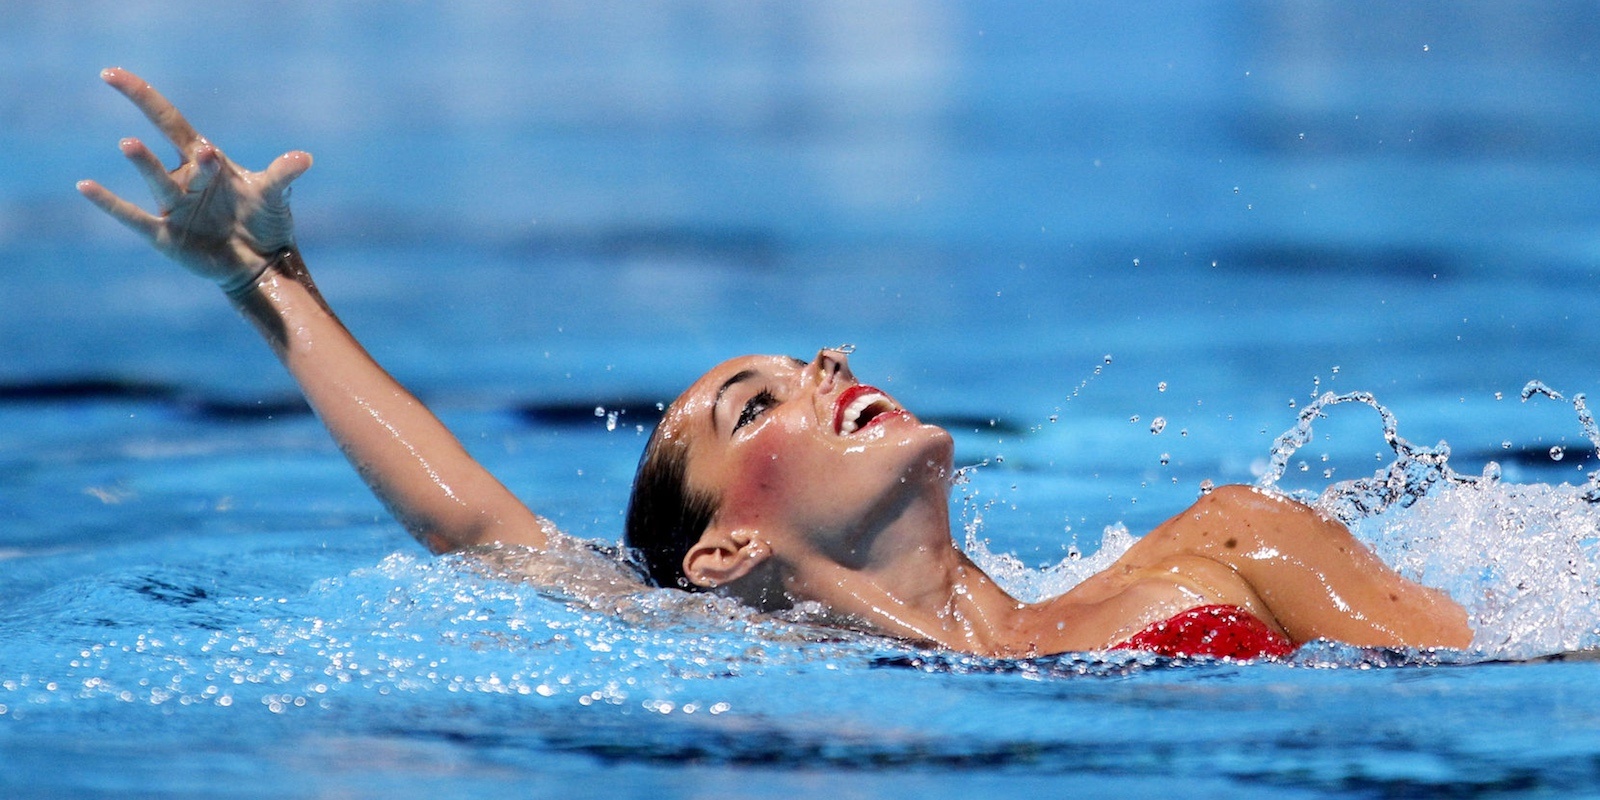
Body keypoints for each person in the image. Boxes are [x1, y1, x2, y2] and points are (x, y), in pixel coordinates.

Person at [80, 68, 1472, 660]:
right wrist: (271, 287)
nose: (826, 362)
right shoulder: (705, 636)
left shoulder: (1230, 546)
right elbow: (470, 524)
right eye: (756, 402)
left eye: (796, 363)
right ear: (722, 551)